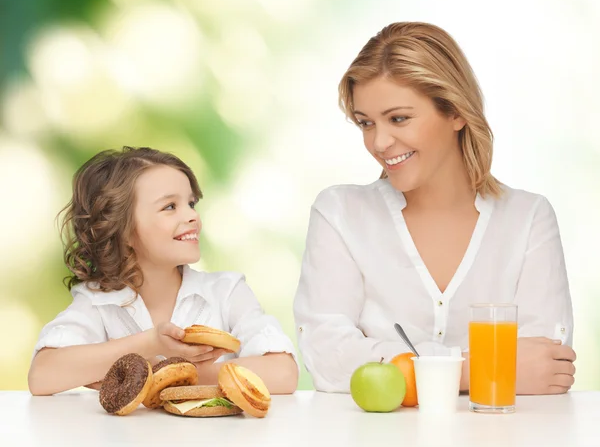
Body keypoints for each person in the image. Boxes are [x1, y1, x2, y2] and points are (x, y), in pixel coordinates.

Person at [293, 22, 575, 394]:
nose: (379, 141)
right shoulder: (340, 213)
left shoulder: (528, 219)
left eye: (399, 118)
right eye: (365, 123)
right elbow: (327, 355)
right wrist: (470, 372)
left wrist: (395, 365)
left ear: (456, 112)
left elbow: (546, 365)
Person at [28, 146, 298, 396]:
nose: (193, 216)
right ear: (123, 231)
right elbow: (43, 375)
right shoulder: (97, 302)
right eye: (170, 206)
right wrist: (150, 344)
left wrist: (168, 374)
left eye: (191, 203)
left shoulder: (227, 292)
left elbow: (283, 372)